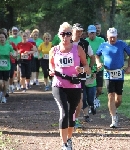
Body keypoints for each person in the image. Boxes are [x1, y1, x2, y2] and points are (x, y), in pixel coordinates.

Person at [49, 22, 89, 150]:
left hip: (74, 85)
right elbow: (51, 65)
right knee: (64, 112)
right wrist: (51, 70)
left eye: (67, 34)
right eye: (62, 34)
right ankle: (64, 143)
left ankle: (69, 139)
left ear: (71, 35)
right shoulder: (54, 50)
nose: (65, 37)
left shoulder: (78, 49)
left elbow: (87, 67)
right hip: (59, 85)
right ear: (58, 35)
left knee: (72, 114)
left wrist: (81, 70)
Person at [95, 27, 130, 128]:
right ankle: (114, 118)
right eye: (111, 37)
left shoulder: (122, 44)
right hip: (108, 73)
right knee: (110, 95)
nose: (112, 39)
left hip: (119, 73)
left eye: (114, 37)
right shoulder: (103, 45)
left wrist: (129, 67)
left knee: (118, 99)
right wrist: (98, 63)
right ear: (107, 37)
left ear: (117, 36)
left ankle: (114, 109)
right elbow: (97, 55)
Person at [72, 23, 95, 128]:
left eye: (81, 31)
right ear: (73, 31)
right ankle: (70, 117)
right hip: (68, 73)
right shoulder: (67, 42)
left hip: (81, 73)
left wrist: (89, 67)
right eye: (78, 31)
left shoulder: (85, 43)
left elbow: (92, 56)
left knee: (80, 97)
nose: (80, 33)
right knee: (70, 97)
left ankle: (75, 119)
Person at [0, 32, 15, 103]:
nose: (1, 39)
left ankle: (3, 97)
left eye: (3, 37)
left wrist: (12, 55)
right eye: (0, 37)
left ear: (5, 38)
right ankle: (0, 93)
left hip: (7, 67)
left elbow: (14, 56)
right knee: (0, 82)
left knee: (6, 83)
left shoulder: (9, 47)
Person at [86, 25, 105, 103]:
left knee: (99, 89)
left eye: (93, 33)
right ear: (88, 33)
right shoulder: (85, 41)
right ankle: (91, 100)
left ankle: (95, 98)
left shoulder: (101, 40)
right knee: (89, 86)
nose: (92, 35)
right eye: (90, 33)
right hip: (90, 67)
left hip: (99, 67)